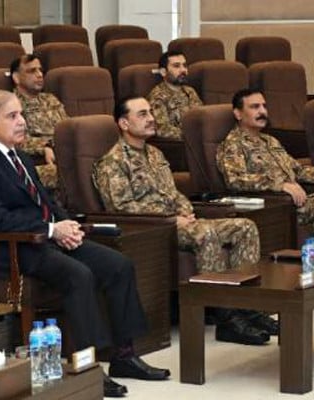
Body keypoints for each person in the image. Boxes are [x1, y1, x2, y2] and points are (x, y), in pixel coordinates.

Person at [0, 90, 170, 398]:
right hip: (9, 248)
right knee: (79, 274)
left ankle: (124, 356)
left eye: (21, 114)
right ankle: (87, 366)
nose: (22, 121)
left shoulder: (18, 156)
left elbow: (45, 201)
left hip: (42, 238)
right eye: (12, 116)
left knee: (118, 265)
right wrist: (51, 229)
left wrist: (66, 225)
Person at [93, 96, 278, 345]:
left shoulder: (156, 154)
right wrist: (171, 220)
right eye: (142, 114)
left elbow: (173, 193)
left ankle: (247, 307)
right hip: (154, 230)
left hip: (181, 222)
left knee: (244, 227)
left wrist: (185, 211)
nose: (151, 118)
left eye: (150, 112)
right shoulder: (112, 162)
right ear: (124, 123)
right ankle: (226, 318)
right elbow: (121, 207)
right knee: (206, 234)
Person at [217, 88, 314, 228]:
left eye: (264, 106)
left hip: (298, 200)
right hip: (274, 205)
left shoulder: (270, 141)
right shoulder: (233, 145)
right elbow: (235, 180)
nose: (262, 111)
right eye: (255, 107)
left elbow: (297, 170)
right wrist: (279, 185)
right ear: (238, 114)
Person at [10, 54, 67, 191]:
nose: (40, 75)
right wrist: (44, 147)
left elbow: (67, 128)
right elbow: (13, 139)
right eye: (32, 71)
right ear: (16, 78)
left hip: (62, 153)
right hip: (35, 162)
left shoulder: (50, 99)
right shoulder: (10, 103)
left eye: (40, 70)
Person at [147, 51, 203, 139]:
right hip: (177, 145)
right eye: (176, 66)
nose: (183, 70)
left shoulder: (190, 91)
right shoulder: (157, 96)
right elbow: (162, 129)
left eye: (184, 65)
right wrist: (193, 136)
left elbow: (201, 117)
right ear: (163, 72)